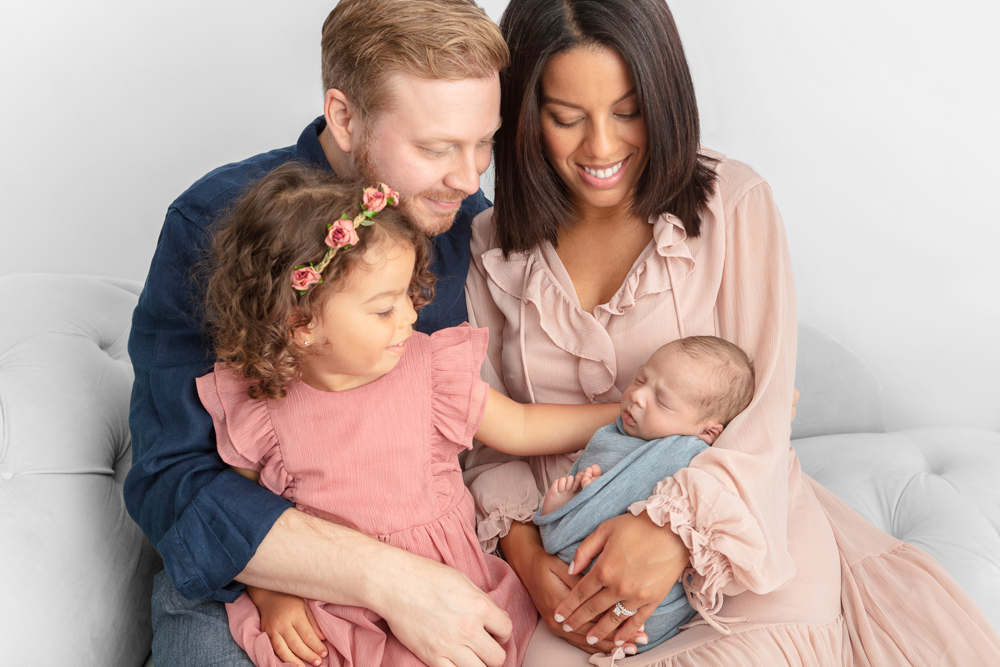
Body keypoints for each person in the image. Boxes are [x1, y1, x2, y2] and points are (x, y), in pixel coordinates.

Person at [462, 0, 1000, 664]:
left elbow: (764, 415)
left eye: (627, 111)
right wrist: (530, 563)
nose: (601, 147)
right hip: (570, 573)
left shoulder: (733, 207)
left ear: (663, 97)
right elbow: (485, 443)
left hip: (736, 553)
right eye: (567, 118)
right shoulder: (489, 249)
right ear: (523, 115)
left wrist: (669, 537)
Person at [123, 2, 517, 666]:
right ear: (343, 114)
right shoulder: (213, 222)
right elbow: (173, 476)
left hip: (432, 555)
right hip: (256, 583)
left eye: (484, 142)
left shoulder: (463, 221)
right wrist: (391, 581)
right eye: (436, 146)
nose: (469, 178)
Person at [194, 163, 624, 666]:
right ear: (300, 321)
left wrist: (623, 413)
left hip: (451, 593)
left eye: (408, 294)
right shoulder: (260, 406)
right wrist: (273, 594)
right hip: (337, 616)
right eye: (383, 309)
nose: (410, 316)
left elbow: (523, 428)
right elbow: (242, 516)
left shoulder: (428, 371)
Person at [535, 336, 755, 653]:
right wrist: (584, 497)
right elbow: (606, 490)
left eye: (662, 402)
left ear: (707, 432)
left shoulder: (688, 454)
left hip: (648, 588)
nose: (636, 396)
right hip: (575, 573)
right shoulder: (614, 434)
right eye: (640, 379)